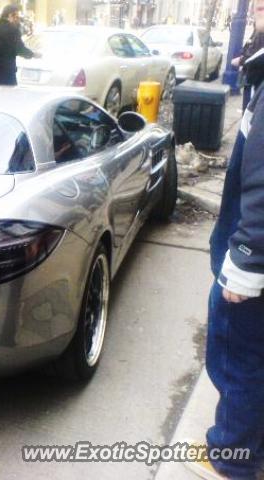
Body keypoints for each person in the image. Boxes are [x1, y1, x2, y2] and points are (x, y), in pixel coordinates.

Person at [185, 0, 264, 478]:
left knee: (237, 357)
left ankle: (231, 456)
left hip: (251, 259)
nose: (255, 4)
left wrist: (246, 263)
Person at [0, 5, 41, 86]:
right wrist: (33, 54)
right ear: (11, 16)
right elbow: (20, 49)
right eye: (17, 17)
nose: (18, 20)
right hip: (6, 76)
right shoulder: (12, 30)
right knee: (9, 98)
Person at [232, 31, 264, 110]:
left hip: (254, 79)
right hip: (251, 77)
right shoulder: (257, 31)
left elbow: (255, 55)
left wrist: (241, 61)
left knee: (250, 108)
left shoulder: (261, 33)